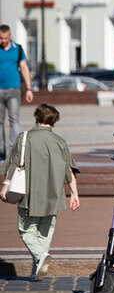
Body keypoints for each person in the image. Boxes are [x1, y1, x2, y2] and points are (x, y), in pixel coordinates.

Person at [0, 103, 80, 281]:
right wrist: (74, 194)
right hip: (54, 195)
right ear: (54, 121)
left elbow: (13, 164)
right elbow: (70, 170)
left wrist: (5, 185)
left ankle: (40, 256)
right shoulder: (60, 141)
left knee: (26, 230)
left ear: (36, 118)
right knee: (45, 232)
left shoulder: (24, 138)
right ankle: (37, 272)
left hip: (29, 194)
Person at [0, 25, 34, 162]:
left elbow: (24, 68)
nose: (3, 41)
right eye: (1, 38)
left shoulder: (18, 49)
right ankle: (1, 153)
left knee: (14, 121)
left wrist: (29, 89)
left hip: (14, 89)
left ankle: (13, 152)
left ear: (10, 36)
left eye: (5, 38)